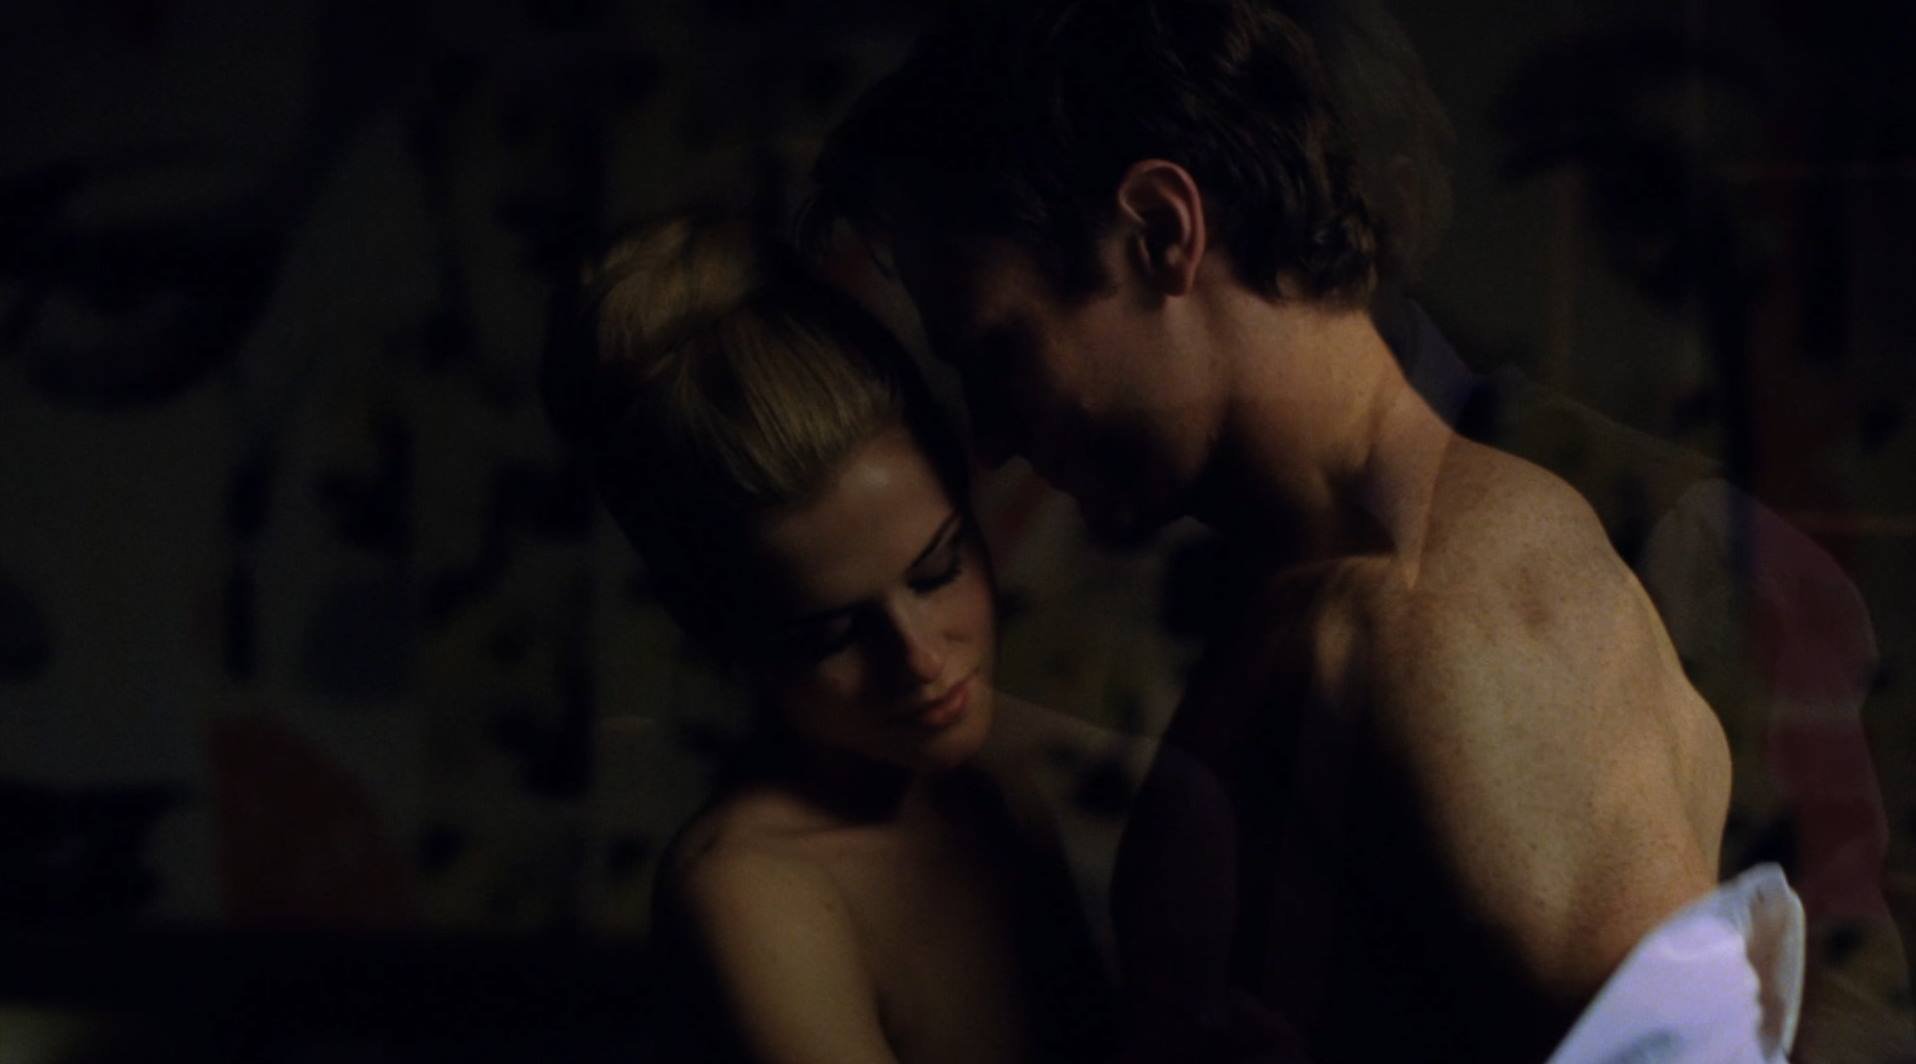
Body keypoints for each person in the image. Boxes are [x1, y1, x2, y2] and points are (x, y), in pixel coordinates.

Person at [804, 1, 1802, 1058]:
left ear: (1159, 232)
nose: (993, 436)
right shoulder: (1330, 583)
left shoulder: (1441, 617)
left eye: (999, 352)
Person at [541, 214, 1114, 1062]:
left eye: (937, 569)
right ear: (721, 627)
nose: (921, 658)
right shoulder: (752, 896)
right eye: (833, 633)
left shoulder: (990, 796)